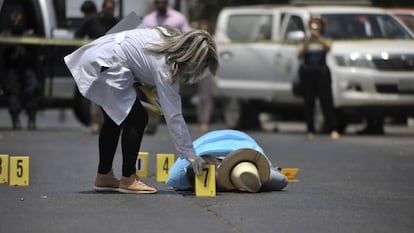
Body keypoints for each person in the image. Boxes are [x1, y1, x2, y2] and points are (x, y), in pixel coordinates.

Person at [64, 24, 219, 194]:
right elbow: (174, 116)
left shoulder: (165, 34)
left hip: (100, 54)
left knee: (114, 118)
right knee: (137, 119)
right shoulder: (165, 66)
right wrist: (190, 155)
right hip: (107, 64)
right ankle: (128, 179)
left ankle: (104, 176)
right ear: (192, 59)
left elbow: (134, 35)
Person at [166, 129, 288, 192]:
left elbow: (172, 180)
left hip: (241, 140)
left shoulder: (254, 156)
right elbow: (282, 180)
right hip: (239, 140)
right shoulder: (258, 165)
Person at [142, 0, 192, 134]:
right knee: (151, 95)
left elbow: (188, 35)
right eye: (157, 2)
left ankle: (176, 127)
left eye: (162, 2)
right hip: (151, 62)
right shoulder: (148, 19)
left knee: (172, 94)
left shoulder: (178, 18)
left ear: (166, 3)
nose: (160, 5)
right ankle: (152, 123)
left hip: (172, 63)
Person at [75, 0, 119, 134]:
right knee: (96, 96)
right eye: (107, 9)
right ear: (103, 8)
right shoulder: (91, 21)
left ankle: (114, 125)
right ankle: (95, 123)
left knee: (114, 97)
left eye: (112, 10)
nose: (109, 12)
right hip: (95, 64)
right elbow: (77, 37)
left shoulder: (118, 23)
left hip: (114, 64)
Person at [297, 16, 340, 140]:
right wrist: (309, 40)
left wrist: (318, 38)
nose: (314, 28)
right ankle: (311, 129)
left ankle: (332, 128)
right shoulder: (306, 41)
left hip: (321, 72)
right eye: (313, 25)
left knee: (327, 101)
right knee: (309, 102)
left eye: (317, 25)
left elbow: (328, 47)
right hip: (308, 72)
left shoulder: (324, 39)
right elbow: (299, 54)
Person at [1, 9, 39, 130]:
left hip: (27, 67)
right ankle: (15, 119)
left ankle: (32, 119)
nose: (17, 21)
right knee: (14, 92)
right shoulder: (6, 34)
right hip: (12, 67)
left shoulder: (28, 34)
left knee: (31, 90)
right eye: (14, 18)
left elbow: (36, 53)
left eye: (19, 18)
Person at [196, 20, 215, 133]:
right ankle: (200, 120)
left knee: (206, 97)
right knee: (200, 98)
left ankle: (204, 121)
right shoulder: (196, 41)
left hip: (207, 71)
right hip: (197, 72)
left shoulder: (211, 42)